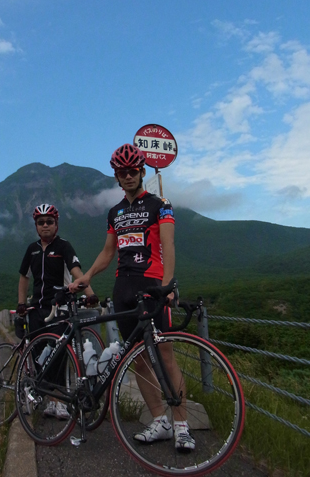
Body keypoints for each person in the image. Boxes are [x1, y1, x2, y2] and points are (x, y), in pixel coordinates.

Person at [70, 143, 195, 451]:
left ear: (141, 172)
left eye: (133, 171)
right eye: (122, 172)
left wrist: (167, 286)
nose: (128, 176)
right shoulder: (115, 212)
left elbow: (168, 246)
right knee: (137, 359)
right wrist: (86, 277)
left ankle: (181, 425)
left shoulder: (160, 204)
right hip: (122, 289)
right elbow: (108, 252)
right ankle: (159, 421)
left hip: (151, 286)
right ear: (117, 176)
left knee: (165, 356)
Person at [17, 203, 95, 420]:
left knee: (57, 355)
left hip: (58, 309)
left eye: (49, 222)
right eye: (40, 223)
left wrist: (90, 293)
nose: (45, 226)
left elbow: (76, 271)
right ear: (36, 226)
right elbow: (24, 276)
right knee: (39, 355)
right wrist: (21, 303)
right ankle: (50, 401)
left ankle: (60, 401)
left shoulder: (63, 247)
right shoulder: (32, 249)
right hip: (36, 310)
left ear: (56, 224)